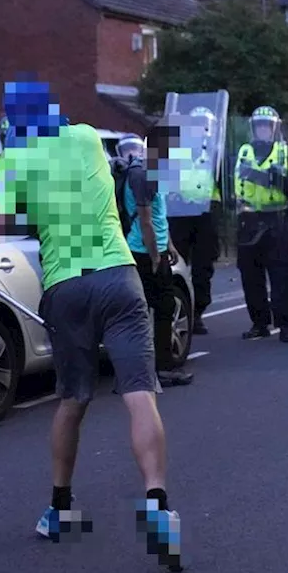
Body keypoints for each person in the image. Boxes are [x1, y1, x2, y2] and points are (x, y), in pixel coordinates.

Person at [0, 80, 182, 571]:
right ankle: (157, 502)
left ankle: (60, 508)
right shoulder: (85, 139)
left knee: (73, 400)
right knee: (140, 393)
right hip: (119, 277)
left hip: (66, 287)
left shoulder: (15, 162)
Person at [113, 133, 192, 388]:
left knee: (157, 309)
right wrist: (156, 255)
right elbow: (145, 220)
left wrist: (168, 245)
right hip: (144, 252)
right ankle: (161, 369)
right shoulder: (142, 175)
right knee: (160, 309)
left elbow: (158, 215)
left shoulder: (146, 174)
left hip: (150, 249)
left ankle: (142, 370)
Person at [235, 106, 288, 343]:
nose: (263, 129)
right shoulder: (242, 152)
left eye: (267, 126)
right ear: (253, 128)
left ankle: (285, 325)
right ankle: (259, 323)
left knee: (281, 274)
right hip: (248, 220)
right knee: (251, 276)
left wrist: (277, 179)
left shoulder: (287, 154)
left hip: (277, 219)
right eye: (259, 125)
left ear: (274, 128)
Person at [165, 106, 222, 337]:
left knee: (202, 268)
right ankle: (174, 310)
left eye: (203, 124)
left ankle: (197, 314)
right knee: (176, 265)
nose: (199, 128)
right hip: (179, 213)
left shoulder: (214, 152)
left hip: (204, 214)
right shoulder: (176, 150)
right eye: (195, 123)